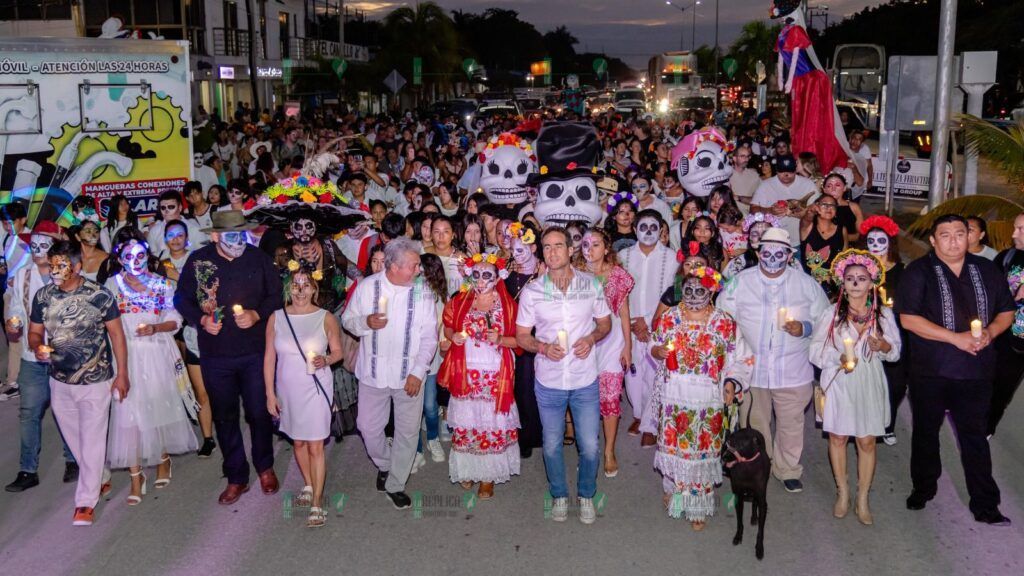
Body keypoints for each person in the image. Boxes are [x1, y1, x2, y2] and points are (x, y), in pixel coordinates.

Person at [896, 214, 1014, 525]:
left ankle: (986, 504)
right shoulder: (918, 271)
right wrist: (955, 339)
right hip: (930, 371)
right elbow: (908, 319)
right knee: (925, 433)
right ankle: (923, 487)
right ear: (933, 241)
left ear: (970, 237)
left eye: (960, 233)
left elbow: (1006, 311)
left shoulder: (986, 270)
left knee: (973, 437)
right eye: (945, 235)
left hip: (976, 372)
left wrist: (990, 332)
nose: (953, 240)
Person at [174, 210, 283, 505]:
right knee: (225, 416)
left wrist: (257, 313)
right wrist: (201, 320)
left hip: (254, 352)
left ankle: (265, 466)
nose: (239, 241)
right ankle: (236, 475)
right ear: (215, 236)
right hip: (216, 355)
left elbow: (276, 295)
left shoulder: (258, 259)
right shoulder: (199, 261)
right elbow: (181, 298)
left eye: (242, 234)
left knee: (259, 412)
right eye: (232, 236)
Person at [718, 227, 829, 493]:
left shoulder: (806, 285)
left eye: (780, 253)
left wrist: (804, 328)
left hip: (793, 370)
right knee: (755, 423)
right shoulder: (740, 282)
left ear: (789, 255)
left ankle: (788, 469)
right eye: (767, 252)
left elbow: (826, 321)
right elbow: (722, 319)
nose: (773, 258)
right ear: (758, 253)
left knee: (791, 423)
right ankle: (761, 465)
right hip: (752, 371)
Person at [515, 227, 612, 525]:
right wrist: (542, 347)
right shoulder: (532, 292)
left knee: (591, 445)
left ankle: (586, 494)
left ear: (571, 250)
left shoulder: (591, 285)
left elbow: (605, 324)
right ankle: (558, 495)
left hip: (584, 379)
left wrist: (592, 338)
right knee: (553, 443)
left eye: (559, 245)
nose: (553, 251)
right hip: (550, 379)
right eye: (546, 247)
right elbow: (521, 336)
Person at [28, 240, 129, 526]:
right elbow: (34, 333)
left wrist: (123, 374)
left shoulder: (99, 295)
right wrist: (37, 346)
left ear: (77, 266)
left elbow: (118, 336)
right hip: (60, 380)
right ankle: (101, 475)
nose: (54, 271)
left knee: (93, 438)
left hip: (96, 379)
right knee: (76, 440)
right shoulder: (43, 296)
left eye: (61, 265)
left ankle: (85, 501)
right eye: (52, 265)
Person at [650, 267, 752, 529]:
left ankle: (697, 504)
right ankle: (675, 492)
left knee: (700, 450)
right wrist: (658, 351)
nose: (694, 296)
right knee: (676, 449)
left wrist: (731, 383)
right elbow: (654, 344)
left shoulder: (725, 322)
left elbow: (741, 358)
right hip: (674, 396)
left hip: (708, 399)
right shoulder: (669, 318)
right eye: (689, 290)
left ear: (711, 291)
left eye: (701, 291)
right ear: (681, 291)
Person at [341, 237, 438, 510]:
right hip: (373, 375)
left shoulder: (423, 293)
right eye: (414, 266)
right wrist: (365, 322)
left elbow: (430, 337)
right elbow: (348, 320)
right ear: (394, 266)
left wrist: (418, 372)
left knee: (407, 433)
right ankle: (386, 463)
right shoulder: (367, 287)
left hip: (409, 377)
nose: (419, 270)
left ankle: (395, 483)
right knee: (368, 428)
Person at [810, 250, 901, 525]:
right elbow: (814, 351)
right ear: (843, 283)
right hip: (839, 382)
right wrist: (836, 357)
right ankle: (843, 491)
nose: (856, 284)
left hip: (868, 382)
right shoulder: (831, 313)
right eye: (850, 279)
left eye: (862, 279)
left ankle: (863, 497)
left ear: (872, 283)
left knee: (866, 440)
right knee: (837, 437)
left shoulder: (882, 315)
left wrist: (883, 346)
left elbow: (895, 352)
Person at [105, 237, 198, 505]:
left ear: (148, 256)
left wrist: (156, 328)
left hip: (156, 352)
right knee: (128, 415)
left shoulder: (162, 284)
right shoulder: (113, 285)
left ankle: (163, 459)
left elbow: (175, 319)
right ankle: (136, 476)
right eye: (128, 256)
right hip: (125, 355)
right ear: (119, 258)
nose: (135, 261)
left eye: (140, 256)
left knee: (158, 408)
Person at [264, 265, 344, 528]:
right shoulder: (276, 317)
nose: (300, 290)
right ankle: (309, 485)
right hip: (288, 390)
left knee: (315, 445)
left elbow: (338, 353)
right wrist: (269, 393)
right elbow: (269, 358)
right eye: (295, 285)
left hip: (315, 387)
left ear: (314, 288)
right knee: (298, 443)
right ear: (288, 287)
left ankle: (317, 503)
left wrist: (326, 359)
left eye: (305, 285)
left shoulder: (325, 317)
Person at [438, 252, 521, 498]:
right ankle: (468, 470)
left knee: (490, 421)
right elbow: (449, 324)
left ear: (497, 278)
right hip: (466, 370)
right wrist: (452, 335)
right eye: (477, 275)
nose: (482, 280)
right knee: (468, 421)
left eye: (487, 275)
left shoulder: (508, 305)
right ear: (469, 276)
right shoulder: (461, 300)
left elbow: (521, 339)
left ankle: (488, 476)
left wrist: (501, 339)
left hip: (495, 371)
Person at [3, 222, 78, 492]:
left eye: (42, 245)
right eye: (32, 245)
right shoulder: (22, 274)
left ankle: (73, 459)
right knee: (29, 413)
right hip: (31, 358)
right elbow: (15, 311)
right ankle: (27, 470)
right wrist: (13, 325)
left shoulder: (67, 274)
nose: (36, 250)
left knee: (65, 410)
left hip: (63, 356)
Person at [576, 228, 633, 477]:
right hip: (583, 340)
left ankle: (609, 450)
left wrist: (628, 346)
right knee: (584, 399)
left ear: (606, 248)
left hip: (612, 341)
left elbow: (623, 312)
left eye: (596, 244)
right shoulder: (573, 273)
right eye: (586, 244)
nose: (590, 249)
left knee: (610, 398)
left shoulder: (619, 275)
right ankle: (588, 452)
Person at [618, 210, 676, 446]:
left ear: (662, 230)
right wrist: (633, 322)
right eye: (644, 227)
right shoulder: (622, 257)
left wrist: (650, 320)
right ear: (634, 229)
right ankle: (639, 415)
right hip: (629, 325)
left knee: (654, 375)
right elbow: (616, 293)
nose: (649, 232)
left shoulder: (673, 258)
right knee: (632, 375)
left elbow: (675, 294)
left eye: (654, 227)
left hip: (658, 326)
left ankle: (651, 424)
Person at [860, 215, 906, 446]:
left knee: (895, 384)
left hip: (894, 332)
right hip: (863, 332)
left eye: (881, 240)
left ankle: (888, 425)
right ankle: (866, 423)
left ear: (891, 242)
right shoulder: (858, 267)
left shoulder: (902, 271)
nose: (875, 246)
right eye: (871, 241)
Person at [991, 212, 1024, 437]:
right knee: (992, 382)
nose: (1013, 234)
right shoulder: (1007, 257)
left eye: (1020, 229)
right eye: (1015, 227)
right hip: (1001, 334)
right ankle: (983, 426)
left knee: (1004, 387)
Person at [750, 154, 818, 250]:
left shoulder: (807, 184)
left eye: (790, 172)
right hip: (773, 242)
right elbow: (753, 210)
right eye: (782, 171)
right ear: (777, 171)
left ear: (795, 170)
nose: (786, 175)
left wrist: (791, 213)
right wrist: (770, 210)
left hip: (801, 240)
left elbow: (817, 212)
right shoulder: (766, 185)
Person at [800, 194, 848, 294]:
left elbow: (844, 258)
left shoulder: (842, 230)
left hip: (833, 285)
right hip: (808, 284)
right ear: (816, 207)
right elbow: (806, 218)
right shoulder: (807, 227)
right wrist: (811, 211)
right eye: (824, 205)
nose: (828, 208)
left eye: (832, 205)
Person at [146, 190, 203, 258]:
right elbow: (152, 258)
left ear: (180, 207)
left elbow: (204, 254)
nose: (166, 211)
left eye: (171, 207)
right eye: (163, 208)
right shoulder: (154, 231)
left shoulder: (194, 229)